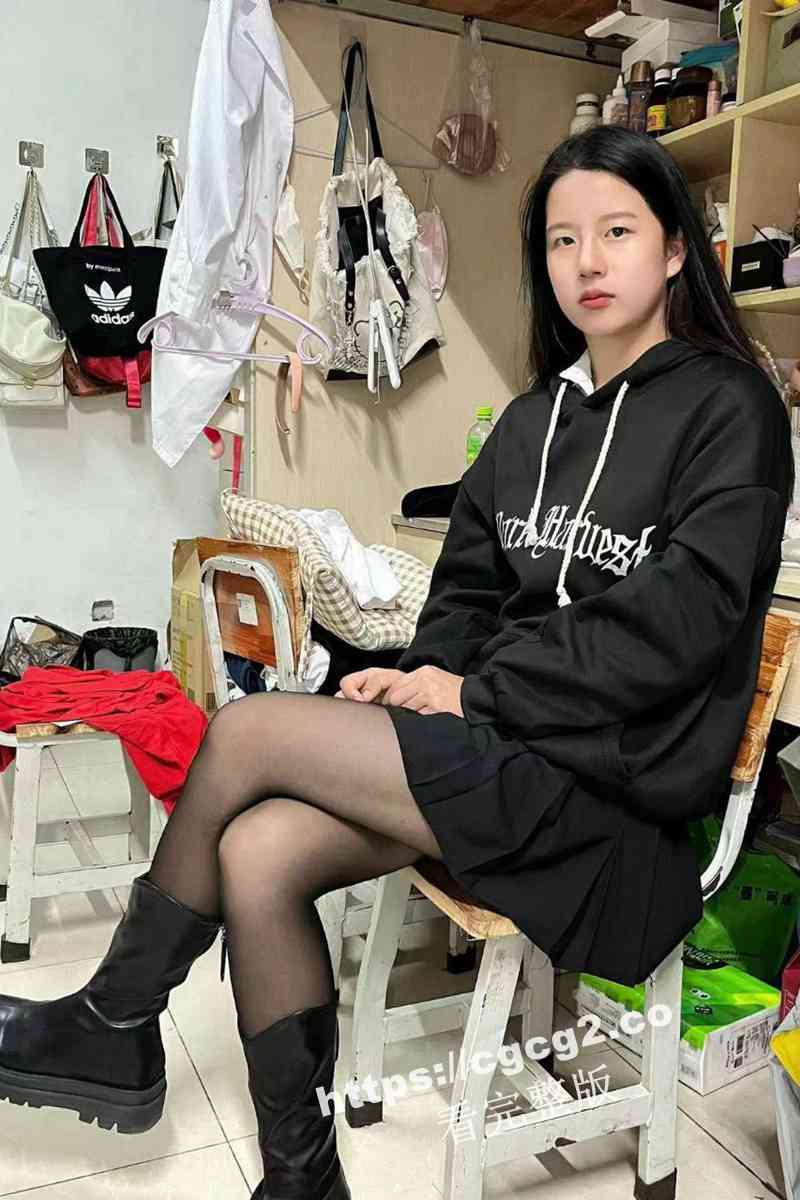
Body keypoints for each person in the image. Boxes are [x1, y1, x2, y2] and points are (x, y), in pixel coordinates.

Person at [0, 126, 793, 1200]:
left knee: (248, 729)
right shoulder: (532, 422)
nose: (587, 262)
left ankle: (114, 1019)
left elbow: (680, 622)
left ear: (673, 249)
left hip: (614, 798)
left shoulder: (729, 407)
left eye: (616, 232)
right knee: (259, 851)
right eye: (562, 240)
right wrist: (422, 673)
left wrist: (474, 689)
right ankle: (301, 1180)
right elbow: (464, 591)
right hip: (505, 751)